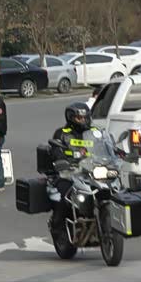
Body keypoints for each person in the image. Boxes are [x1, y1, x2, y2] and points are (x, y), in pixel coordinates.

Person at [49, 101, 101, 237]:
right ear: (71, 118)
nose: (83, 120)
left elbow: (106, 145)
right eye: (79, 118)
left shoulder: (95, 132)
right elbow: (56, 149)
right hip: (69, 172)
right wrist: (61, 160)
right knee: (63, 195)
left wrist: (119, 153)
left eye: (85, 117)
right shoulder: (62, 133)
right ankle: (58, 225)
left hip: (91, 171)